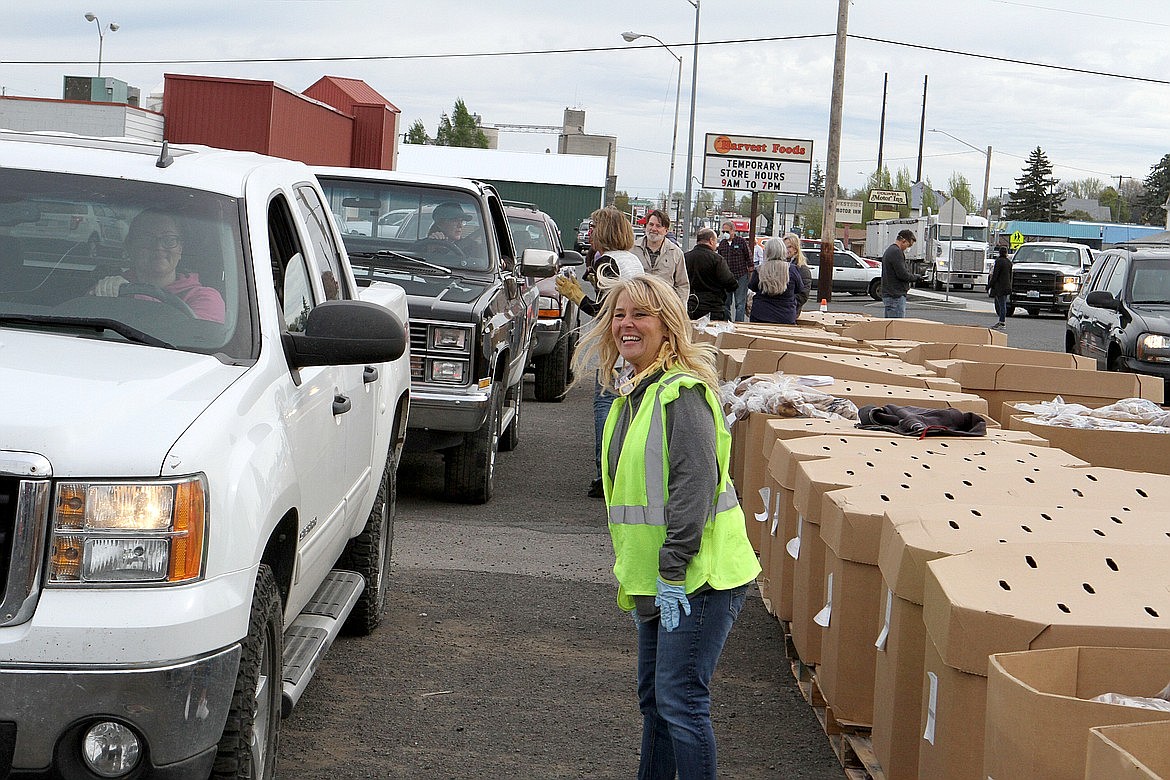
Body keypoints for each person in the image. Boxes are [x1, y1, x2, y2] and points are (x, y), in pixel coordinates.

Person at [572, 273, 760, 780]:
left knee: (680, 700)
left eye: (641, 314)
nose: (626, 324)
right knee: (656, 699)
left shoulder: (682, 394)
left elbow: (694, 489)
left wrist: (672, 572)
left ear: (668, 326)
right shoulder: (634, 394)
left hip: (700, 575)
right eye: (619, 314)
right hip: (662, 578)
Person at [554, 206, 643, 499]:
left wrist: (575, 293)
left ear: (604, 231)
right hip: (636, 347)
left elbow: (604, 311)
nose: (589, 233)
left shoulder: (607, 262)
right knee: (630, 414)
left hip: (615, 351)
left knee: (605, 408)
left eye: (593, 228)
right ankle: (625, 473)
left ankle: (605, 474)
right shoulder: (632, 260)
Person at [92, 209, 226, 323]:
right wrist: (105, 291)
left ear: (180, 249)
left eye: (169, 240)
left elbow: (193, 342)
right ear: (130, 246)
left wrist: (132, 295)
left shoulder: (205, 297)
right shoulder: (110, 289)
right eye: (147, 238)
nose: (158, 247)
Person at [632, 208, 690, 308]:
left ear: (666, 230)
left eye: (658, 226)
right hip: (637, 305)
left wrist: (679, 308)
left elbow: (682, 285)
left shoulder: (676, 253)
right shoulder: (632, 249)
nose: (653, 229)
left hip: (665, 308)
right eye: (651, 224)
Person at [683, 228, 738, 320]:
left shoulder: (685, 257)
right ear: (711, 240)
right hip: (713, 307)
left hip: (690, 305)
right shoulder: (717, 259)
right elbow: (729, 282)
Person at [747, 238, 804, 325]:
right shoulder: (791, 269)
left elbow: (752, 287)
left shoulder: (759, 270)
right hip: (785, 315)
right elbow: (799, 289)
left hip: (760, 314)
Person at [716, 221, 754, 322]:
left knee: (740, 303)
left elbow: (748, 257)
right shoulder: (722, 244)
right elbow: (719, 259)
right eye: (723, 231)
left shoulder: (741, 242)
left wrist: (750, 272)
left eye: (727, 231)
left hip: (741, 275)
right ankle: (727, 322)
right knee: (726, 303)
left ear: (733, 231)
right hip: (727, 278)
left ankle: (739, 324)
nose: (725, 233)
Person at [880, 228, 921, 319]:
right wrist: (916, 277)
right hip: (896, 295)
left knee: (889, 325)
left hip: (889, 293)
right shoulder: (896, 252)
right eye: (908, 245)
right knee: (896, 326)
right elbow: (902, 274)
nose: (908, 248)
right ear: (903, 241)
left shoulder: (889, 250)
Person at [784, 232, 814, 311]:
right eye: (784, 246)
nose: (786, 249)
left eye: (789, 247)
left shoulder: (802, 269)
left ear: (796, 249)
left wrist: (787, 303)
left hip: (790, 310)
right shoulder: (778, 265)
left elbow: (803, 295)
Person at [987, 245, 1013, 329]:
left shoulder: (998, 261)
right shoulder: (1009, 262)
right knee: (1003, 304)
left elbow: (995, 275)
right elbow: (1010, 275)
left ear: (999, 253)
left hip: (999, 286)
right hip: (1007, 286)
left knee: (1001, 305)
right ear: (1006, 253)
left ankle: (1002, 322)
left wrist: (989, 285)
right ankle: (1001, 322)